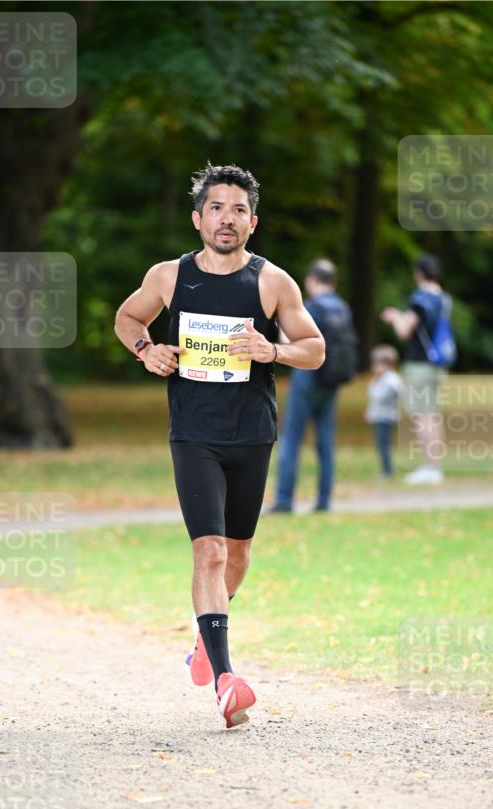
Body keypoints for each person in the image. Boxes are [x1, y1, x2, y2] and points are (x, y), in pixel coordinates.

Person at [114, 163, 325, 728]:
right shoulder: (169, 277)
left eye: (238, 210)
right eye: (216, 208)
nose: (226, 219)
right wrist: (146, 350)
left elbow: (315, 349)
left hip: (252, 433)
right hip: (193, 434)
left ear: (252, 223)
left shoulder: (273, 282)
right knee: (207, 551)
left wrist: (273, 351)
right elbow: (128, 317)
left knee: (237, 555)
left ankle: (206, 638)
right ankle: (226, 680)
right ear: (197, 218)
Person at [270, 259, 355, 512]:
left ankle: (284, 500)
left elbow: (289, 339)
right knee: (325, 441)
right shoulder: (343, 308)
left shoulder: (311, 307)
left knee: (291, 439)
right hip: (331, 381)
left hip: (306, 379)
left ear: (312, 280)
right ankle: (324, 500)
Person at [380, 253, 452, 484]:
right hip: (438, 363)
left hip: (419, 364)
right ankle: (435, 466)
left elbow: (404, 331)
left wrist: (395, 317)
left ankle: (430, 468)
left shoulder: (420, 298)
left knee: (422, 416)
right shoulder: (444, 298)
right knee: (434, 415)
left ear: (419, 274)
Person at [364, 344, 404, 478]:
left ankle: (387, 471)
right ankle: (386, 469)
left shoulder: (391, 381)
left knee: (384, 445)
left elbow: (380, 397)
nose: (374, 367)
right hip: (379, 416)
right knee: (381, 445)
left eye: (377, 363)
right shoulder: (382, 379)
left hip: (386, 417)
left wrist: (373, 384)